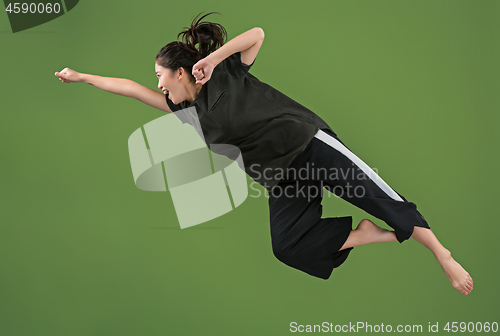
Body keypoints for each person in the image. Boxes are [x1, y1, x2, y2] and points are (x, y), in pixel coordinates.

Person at [55, 12, 473, 295]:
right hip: (280, 177)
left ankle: (441, 253)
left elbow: (257, 34)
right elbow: (128, 86)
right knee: (288, 246)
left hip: (308, 143)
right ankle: (362, 236)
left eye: (162, 77)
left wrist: (215, 58)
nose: (160, 86)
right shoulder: (183, 111)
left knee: (380, 196)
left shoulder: (227, 72)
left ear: (181, 71)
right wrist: (81, 77)